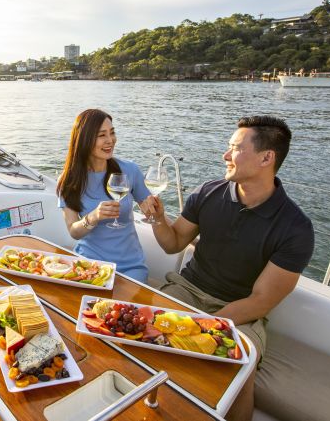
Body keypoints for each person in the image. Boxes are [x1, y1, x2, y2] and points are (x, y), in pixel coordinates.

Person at [141, 115, 314, 420]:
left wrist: (203, 327)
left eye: (234, 148)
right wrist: (158, 218)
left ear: (266, 157)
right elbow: (174, 243)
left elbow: (261, 300)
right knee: (143, 333)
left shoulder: (295, 227)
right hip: (188, 290)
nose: (225, 155)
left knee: (238, 369)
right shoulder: (208, 192)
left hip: (242, 312)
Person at [56, 109, 151, 282]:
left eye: (112, 133)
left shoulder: (130, 170)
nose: (110, 140)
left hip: (131, 267)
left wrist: (154, 209)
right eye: (102, 135)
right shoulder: (69, 180)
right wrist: (93, 217)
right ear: (85, 139)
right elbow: (73, 231)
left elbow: (151, 209)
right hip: (89, 265)